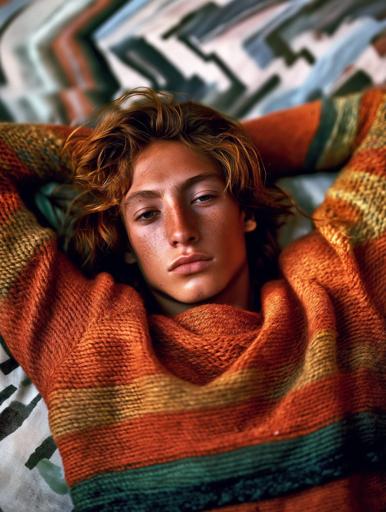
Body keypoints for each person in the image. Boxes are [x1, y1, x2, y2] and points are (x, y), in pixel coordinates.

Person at [0, 86, 385, 511]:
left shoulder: (335, 287)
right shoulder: (81, 336)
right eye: (147, 214)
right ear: (126, 242)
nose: (180, 230)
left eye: (203, 197)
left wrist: (233, 153)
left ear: (245, 212)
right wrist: (108, 163)